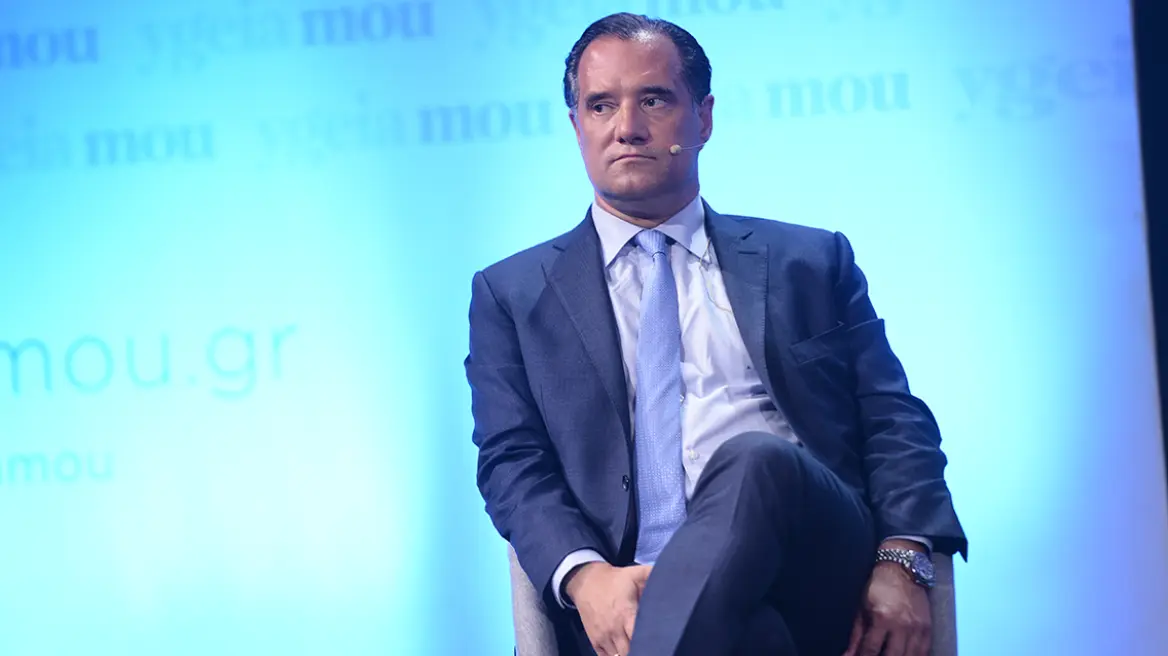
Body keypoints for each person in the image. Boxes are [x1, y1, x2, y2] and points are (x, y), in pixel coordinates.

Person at [465, 12, 966, 656]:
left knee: (756, 458)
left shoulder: (810, 263)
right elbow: (511, 461)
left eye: (653, 100)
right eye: (601, 105)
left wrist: (903, 557)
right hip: (630, 596)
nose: (626, 127)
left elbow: (893, 418)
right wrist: (586, 578)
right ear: (576, 126)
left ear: (702, 118)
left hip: (811, 570)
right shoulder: (511, 294)